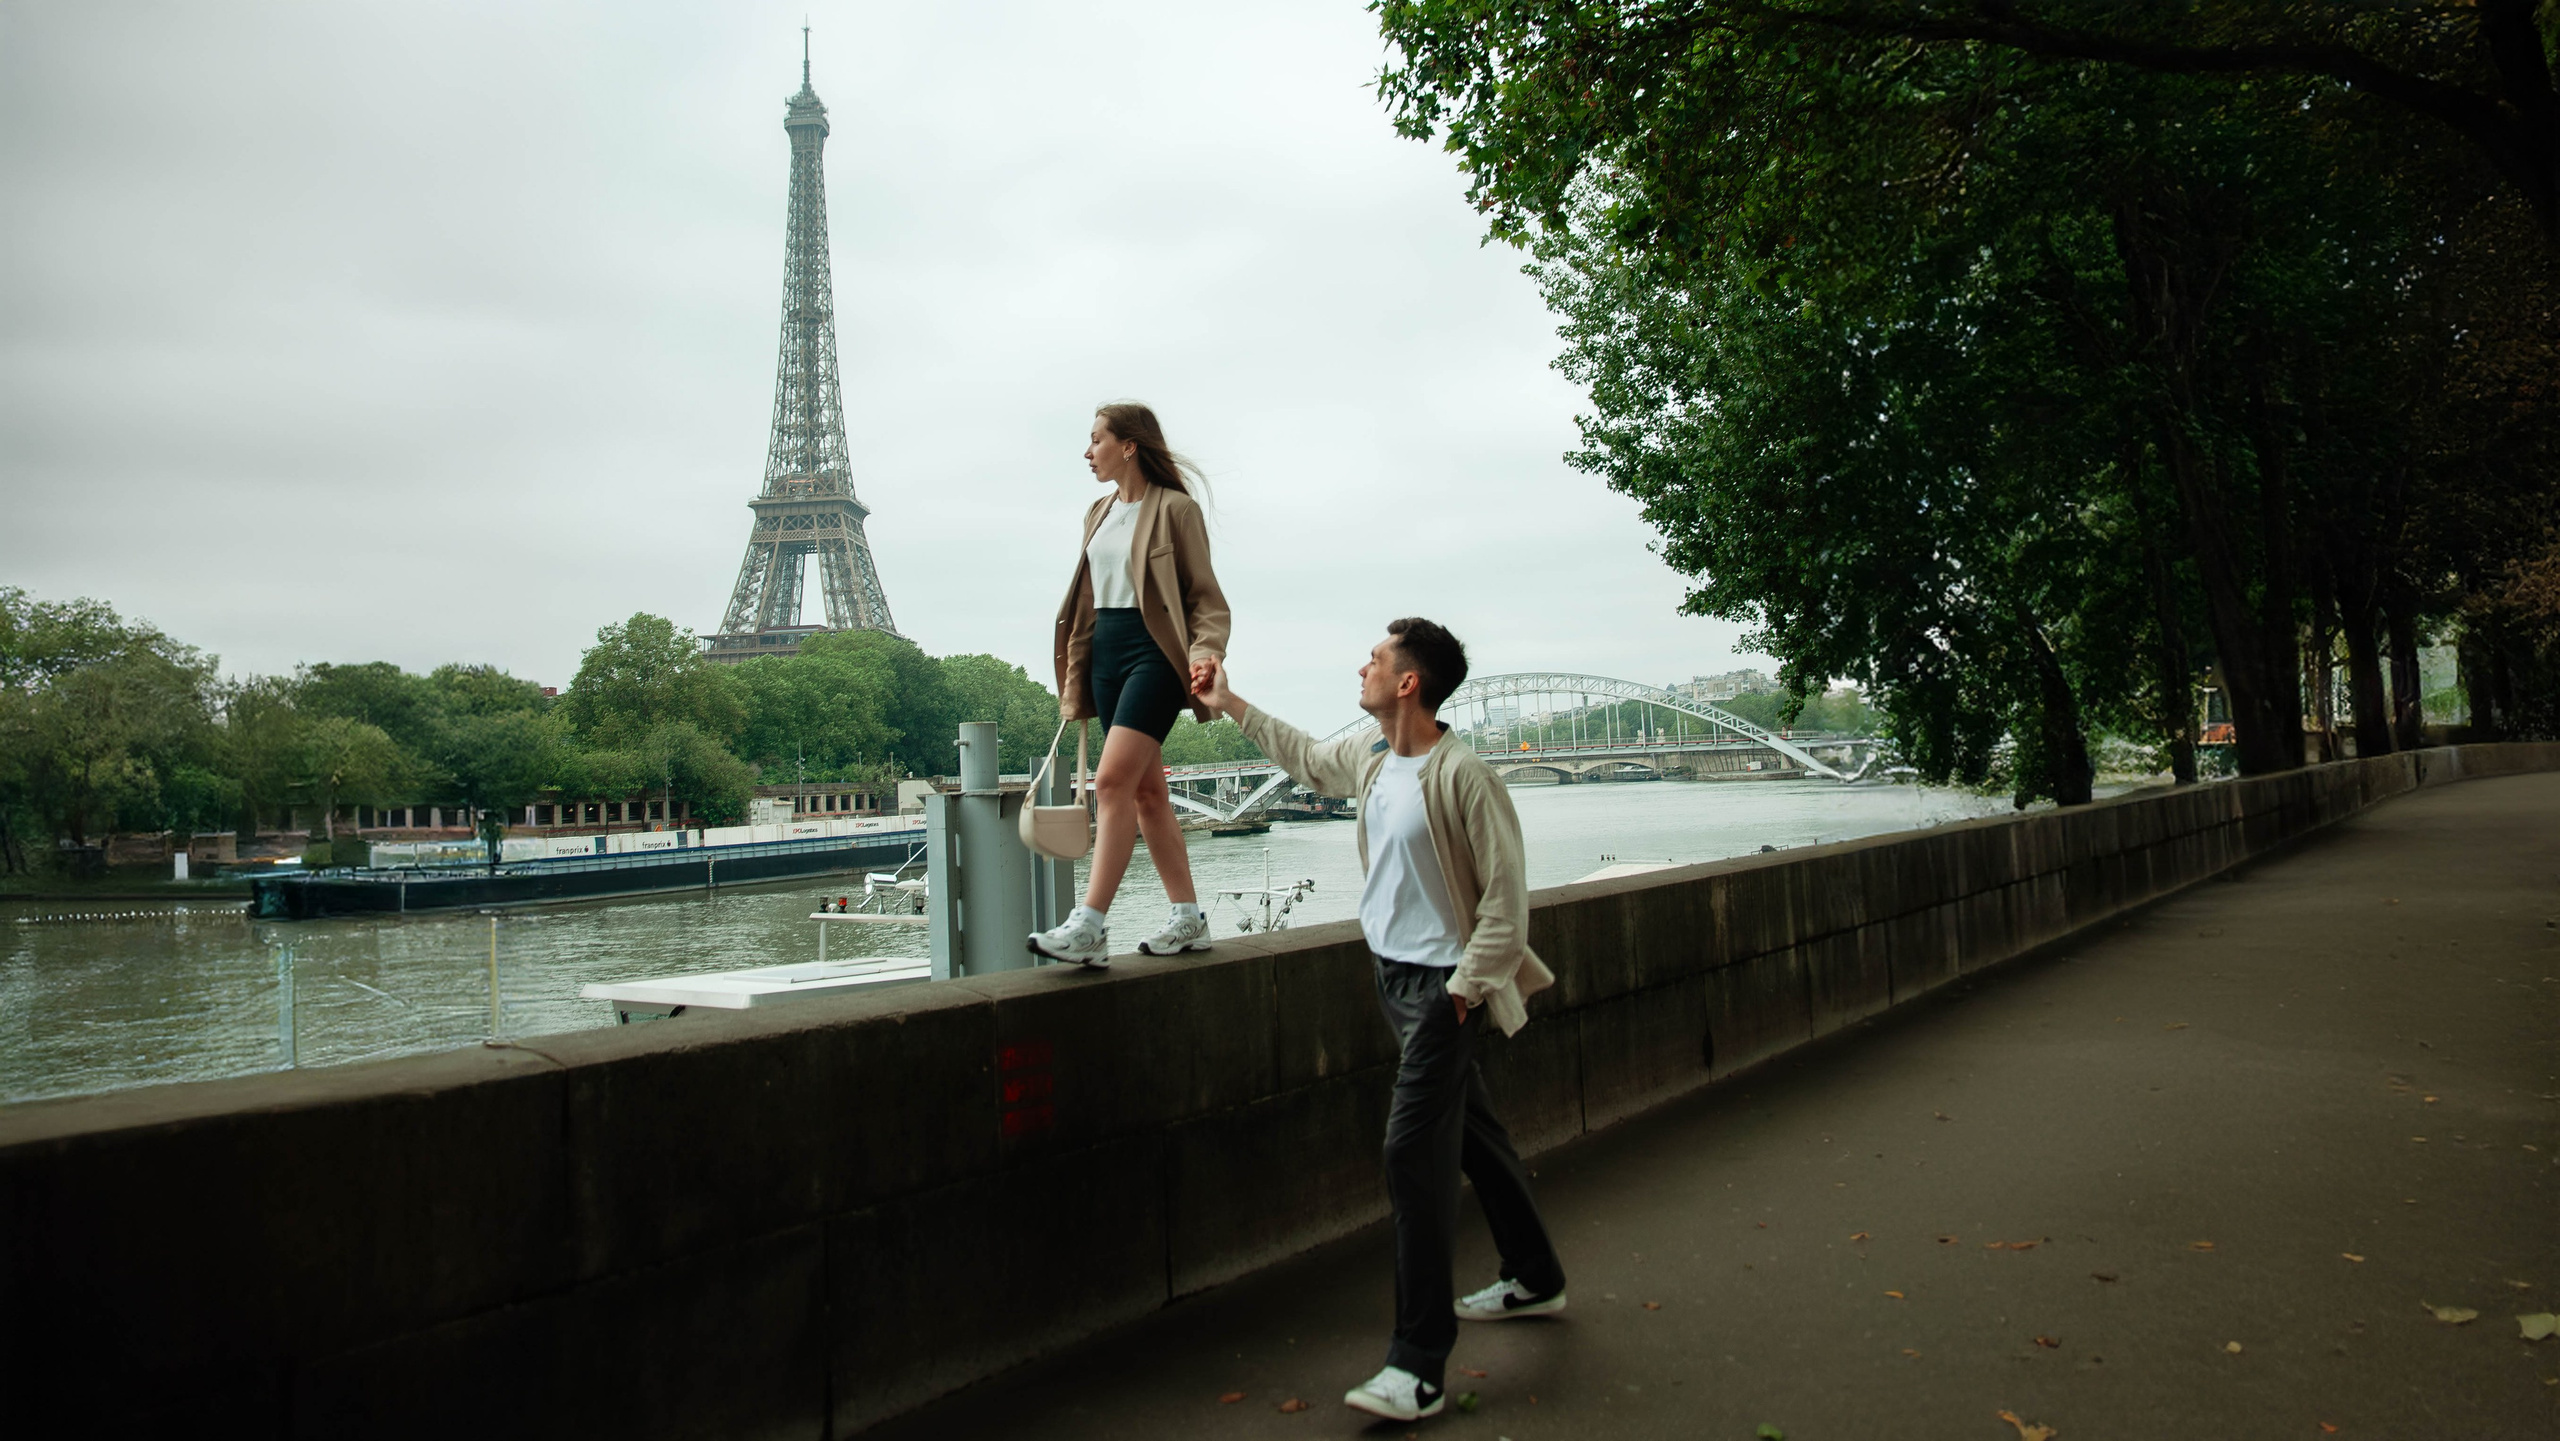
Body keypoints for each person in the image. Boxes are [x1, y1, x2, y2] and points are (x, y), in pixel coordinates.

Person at [1194, 618, 1566, 1424]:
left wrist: (1462, 995)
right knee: (1471, 1133)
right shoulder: (1369, 760)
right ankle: (1534, 1271)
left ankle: (1418, 1362)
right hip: (1392, 975)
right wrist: (1228, 702)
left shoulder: (1465, 776)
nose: (1361, 665)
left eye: (1376, 658)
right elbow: (1301, 754)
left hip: (1443, 988)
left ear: (1408, 683)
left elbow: (1506, 905)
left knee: (1409, 1153)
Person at [1029, 402, 1232, 966]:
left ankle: (1090, 925)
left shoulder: (1177, 511)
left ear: (1129, 446)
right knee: (1147, 793)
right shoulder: (1097, 512)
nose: (1087, 451)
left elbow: (1205, 598)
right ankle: (1189, 919)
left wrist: (1207, 652)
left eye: (1096, 440)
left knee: (1112, 784)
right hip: (1105, 653)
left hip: (1155, 652)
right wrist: (1077, 671)